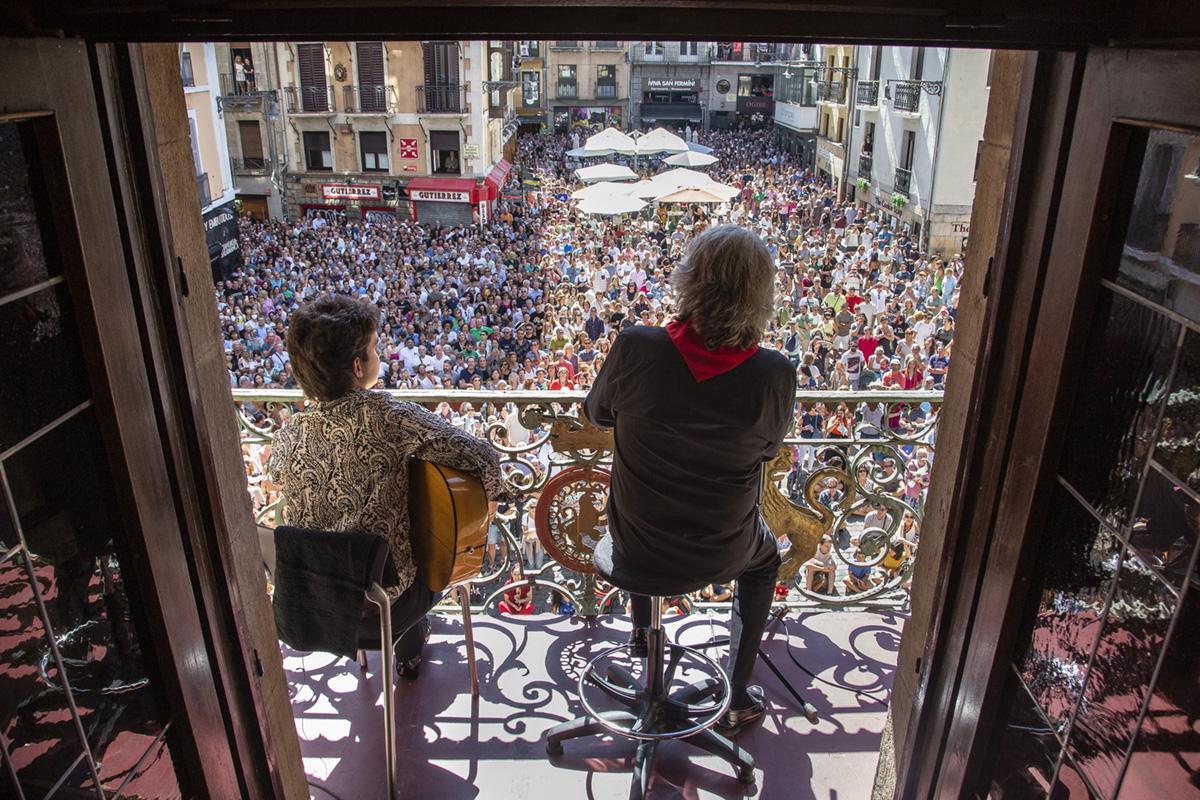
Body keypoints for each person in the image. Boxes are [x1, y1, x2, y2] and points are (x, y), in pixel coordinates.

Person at [584, 224, 794, 738]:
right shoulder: (773, 374)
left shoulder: (637, 347)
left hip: (635, 544)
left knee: (641, 505)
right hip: (721, 553)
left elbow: (596, 413)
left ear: (690, 282)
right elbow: (769, 450)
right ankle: (739, 695)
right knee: (765, 561)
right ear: (761, 298)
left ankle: (642, 640)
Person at [268, 295, 512, 678]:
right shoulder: (390, 417)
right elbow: (483, 457)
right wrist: (494, 503)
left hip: (313, 603)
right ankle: (409, 653)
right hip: (384, 607)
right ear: (357, 365)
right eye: (375, 348)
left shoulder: (288, 436)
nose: (379, 355)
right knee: (416, 547)